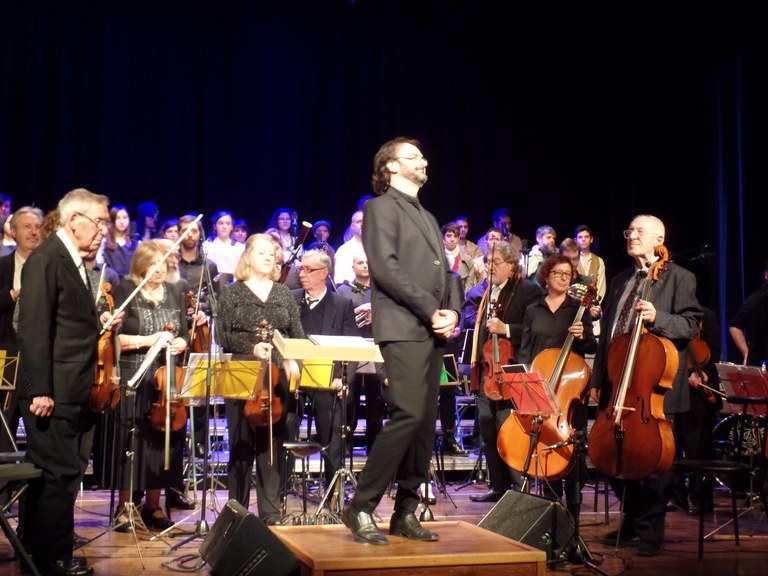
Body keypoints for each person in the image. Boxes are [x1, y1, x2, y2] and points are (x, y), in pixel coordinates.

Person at [341, 137, 461, 546]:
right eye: (413, 156)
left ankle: (406, 511)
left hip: (431, 328)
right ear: (391, 166)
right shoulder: (380, 207)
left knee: (424, 424)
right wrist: (431, 310)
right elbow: (386, 269)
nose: (423, 160)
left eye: (422, 155)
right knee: (408, 413)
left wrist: (453, 312)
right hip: (403, 325)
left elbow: (448, 273)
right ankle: (360, 504)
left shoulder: (426, 214)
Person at [17, 188, 118, 576]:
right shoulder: (47, 259)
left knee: (50, 472)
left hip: (73, 386)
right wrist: (40, 388)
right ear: (74, 219)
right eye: (99, 222)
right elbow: (34, 328)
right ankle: (54, 557)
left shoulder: (72, 260)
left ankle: (32, 547)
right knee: (59, 473)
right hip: (53, 390)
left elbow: (67, 323)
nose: (103, 230)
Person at [590, 214, 700, 557]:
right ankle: (632, 518)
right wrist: (598, 378)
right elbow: (609, 336)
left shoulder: (679, 277)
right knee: (611, 454)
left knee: (654, 460)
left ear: (659, 240)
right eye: (629, 231)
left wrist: (658, 318)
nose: (631, 236)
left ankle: (650, 529)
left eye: (640, 232)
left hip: (655, 385)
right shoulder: (621, 280)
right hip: (617, 379)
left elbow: (691, 325)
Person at [218, 233, 304, 525]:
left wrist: (292, 360)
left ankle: (270, 512)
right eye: (262, 253)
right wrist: (251, 347)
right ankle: (237, 513)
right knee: (240, 444)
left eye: (272, 253)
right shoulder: (231, 292)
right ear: (248, 257)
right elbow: (223, 335)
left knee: (271, 447)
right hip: (241, 372)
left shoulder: (283, 294)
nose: (269, 257)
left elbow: (297, 334)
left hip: (275, 377)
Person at [112, 240, 189, 531]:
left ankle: (153, 506)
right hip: (134, 375)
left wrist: (180, 343)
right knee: (131, 441)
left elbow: (183, 333)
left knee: (161, 441)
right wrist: (149, 340)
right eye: (153, 263)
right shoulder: (125, 290)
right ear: (141, 265)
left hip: (165, 377)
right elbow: (114, 339)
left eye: (163, 263)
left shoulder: (175, 291)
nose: (160, 269)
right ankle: (125, 507)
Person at [517, 254, 596, 524]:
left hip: (570, 390)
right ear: (546, 277)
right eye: (558, 273)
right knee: (546, 446)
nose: (564, 278)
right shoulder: (533, 309)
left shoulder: (578, 309)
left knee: (572, 449)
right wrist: (526, 386)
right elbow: (525, 351)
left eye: (567, 274)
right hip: (542, 388)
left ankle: (573, 511)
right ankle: (551, 510)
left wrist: (583, 336)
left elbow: (592, 347)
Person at [462, 241, 541, 502]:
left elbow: (535, 328)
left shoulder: (528, 290)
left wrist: (506, 329)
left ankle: (518, 488)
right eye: (488, 262)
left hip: (512, 369)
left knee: (509, 428)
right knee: (487, 428)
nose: (490, 267)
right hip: (489, 372)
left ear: (512, 265)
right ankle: (498, 486)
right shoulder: (487, 291)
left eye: (496, 263)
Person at [290, 249, 358, 488]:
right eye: (301, 269)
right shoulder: (291, 299)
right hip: (295, 377)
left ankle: (332, 491)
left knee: (332, 435)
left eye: (309, 270)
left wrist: (342, 378)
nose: (302, 274)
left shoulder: (341, 304)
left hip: (327, 380)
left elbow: (350, 346)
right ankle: (282, 490)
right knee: (286, 428)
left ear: (324, 273)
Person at [0, 207, 43, 457]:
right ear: (13, 232)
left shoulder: (51, 267)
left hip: (38, 359)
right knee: (4, 423)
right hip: (6, 355)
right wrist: (14, 295)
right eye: (27, 227)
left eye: (37, 227)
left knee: (38, 428)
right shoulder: (2, 266)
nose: (34, 232)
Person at [337, 250, 386, 453]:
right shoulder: (343, 290)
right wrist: (354, 314)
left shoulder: (382, 290)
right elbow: (337, 319)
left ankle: (374, 446)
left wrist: (378, 317)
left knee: (376, 400)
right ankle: (346, 444)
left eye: (368, 262)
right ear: (353, 267)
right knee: (350, 399)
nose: (365, 265)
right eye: (360, 262)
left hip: (376, 349)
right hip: (352, 349)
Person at [729, 261, 768, 365]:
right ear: (766, 275)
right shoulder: (756, 300)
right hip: (759, 362)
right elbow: (735, 326)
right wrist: (746, 353)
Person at [442, 222, 484, 295]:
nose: (452, 239)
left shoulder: (468, 261)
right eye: (449, 236)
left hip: (459, 299)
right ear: (443, 238)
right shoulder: (437, 259)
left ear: (458, 238)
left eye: (455, 236)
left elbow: (468, 289)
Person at [203, 210, 244, 278]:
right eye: (221, 223)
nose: (224, 227)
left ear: (232, 227)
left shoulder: (240, 248)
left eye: (228, 223)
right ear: (215, 226)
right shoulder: (206, 246)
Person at [102, 205, 137, 279]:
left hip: (130, 282)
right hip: (112, 282)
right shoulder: (105, 242)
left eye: (124, 218)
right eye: (118, 218)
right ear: (112, 220)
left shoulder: (134, 243)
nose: (122, 222)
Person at [334, 211, 364, 285]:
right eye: (359, 221)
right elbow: (341, 280)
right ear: (352, 226)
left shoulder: (379, 247)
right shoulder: (344, 251)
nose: (362, 224)